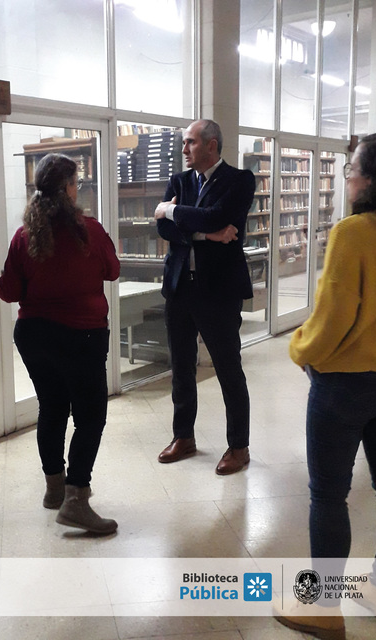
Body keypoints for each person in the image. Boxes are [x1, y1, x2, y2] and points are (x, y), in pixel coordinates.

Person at [274, 132, 376, 638]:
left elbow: (334, 317)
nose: (347, 179)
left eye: (352, 171)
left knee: (328, 494)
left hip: (344, 386)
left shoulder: (353, 233)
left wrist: (300, 349)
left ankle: (323, 608)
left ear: (372, 180)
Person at [0, 153, 120, 534]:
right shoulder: (90, 231)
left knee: (52, 407)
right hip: (81, 335)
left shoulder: (24, 236)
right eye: (76, 183)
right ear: (68, 189)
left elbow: (7, 291)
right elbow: (113, 271)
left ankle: (54, 489)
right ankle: (76, 499)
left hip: (34, 335)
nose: (77, 189)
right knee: (90, 416)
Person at [153, 119, 255, 475]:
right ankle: (184, 437)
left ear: (212, 145)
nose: (184, 150)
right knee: (181, 366)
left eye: (191, 142)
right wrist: (205, 236)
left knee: (228, 368)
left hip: (219, 292)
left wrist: (172, 210)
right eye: (184, 143)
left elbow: (216, 216)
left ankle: (239, 446)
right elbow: (163, 227)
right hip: (180, 288)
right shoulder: (180, 181)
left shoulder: (240, 180)